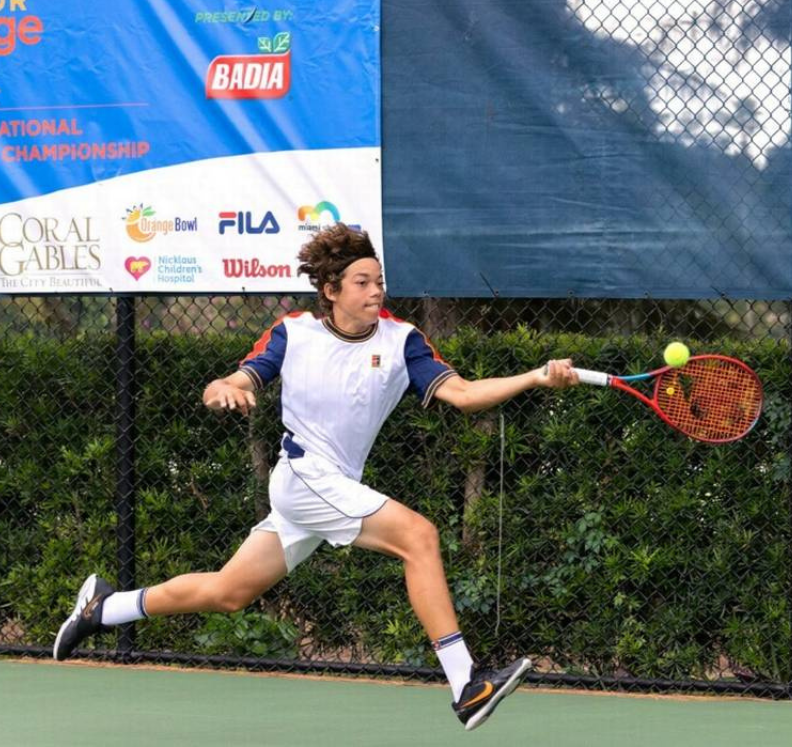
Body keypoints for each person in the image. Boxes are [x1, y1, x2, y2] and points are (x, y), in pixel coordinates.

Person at [53, 223, 578, 731]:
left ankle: (106, 607)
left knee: (229, 592)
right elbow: (234, 378)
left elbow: (462, 394)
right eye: (362, 282)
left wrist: (536, 375)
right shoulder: (294, 332)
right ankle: (466, 685)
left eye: (379, 281)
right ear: (331, 290)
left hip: (331, 486)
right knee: (419, 537)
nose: (376, 291)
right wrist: (224, 390)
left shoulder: (403, 341)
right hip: (304, 477)